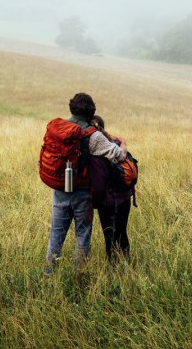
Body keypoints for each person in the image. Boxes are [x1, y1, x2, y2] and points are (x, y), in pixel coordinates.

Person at [45, 93, 126, 274]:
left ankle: (49, 273)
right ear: (91, 112)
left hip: (59, 189)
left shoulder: (58, 128)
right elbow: (118, 155)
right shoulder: (93, 135)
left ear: (71, 108)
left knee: (56, 234)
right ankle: (80, 275)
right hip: (82, 191)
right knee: (82, 234)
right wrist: (123, 145)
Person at [89, 115, 134, 262]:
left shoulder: (95, 148)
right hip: (125, 196)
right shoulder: (115, 142)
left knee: (109, 235)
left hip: (107, 201)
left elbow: (99, 183)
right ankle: (127, 265)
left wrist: (95, 202)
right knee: (122, 232)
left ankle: (113, 269)